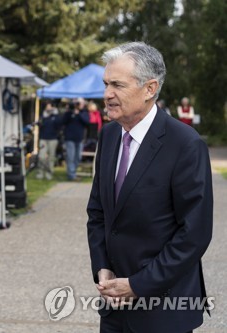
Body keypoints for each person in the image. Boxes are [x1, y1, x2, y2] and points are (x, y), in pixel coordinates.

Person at [87, 42, 213, 332]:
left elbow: (194, 234)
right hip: (113, 307)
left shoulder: (185, 144)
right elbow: (98, 212)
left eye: (117, 85)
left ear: (150, 88)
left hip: (165, 310)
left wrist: (137, 285)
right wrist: (102, 266)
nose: (107, 94)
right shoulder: (108, 136)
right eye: (106, 84)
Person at [60, 97, 90, 181]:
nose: (78, 105)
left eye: (79, 103)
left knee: (77, 158)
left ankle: (72, 172)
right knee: (70, 157)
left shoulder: (84, 112)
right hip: (69, 138)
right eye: (77, 103)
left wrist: (78, 114)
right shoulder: (69, 112)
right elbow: (63, 121)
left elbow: (87, 122)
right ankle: (71, 175)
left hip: (79, 139)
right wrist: (69, 112)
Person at [36, 101, 62, 180]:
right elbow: (41, 125)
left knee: (51, 157)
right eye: (47, 106)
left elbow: (59, 124)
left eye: (50, 106)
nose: (48, 108)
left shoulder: (56, 116)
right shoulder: (43, 116)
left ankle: (49, 173)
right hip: (43, 138)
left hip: (53, 139)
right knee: (41, 157)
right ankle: (40, 173)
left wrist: (55, 114)